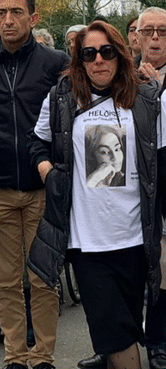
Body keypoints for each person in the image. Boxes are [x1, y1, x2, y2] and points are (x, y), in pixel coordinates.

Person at [28, 19, 166, 369]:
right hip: (86, 242)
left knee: (127, 327)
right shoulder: (62, 96)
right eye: (89, 53)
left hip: (134, 238)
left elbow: (161, 162)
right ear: (79, 58)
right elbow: (38, 143)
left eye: (106, 52)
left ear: (120, 55)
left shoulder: (146, 98)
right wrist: (48, 173)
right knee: (115, 333)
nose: (98, 61)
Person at [0, 0, 70, 369]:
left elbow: (67, 122)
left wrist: (59, 170)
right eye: (1, 12)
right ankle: (15, 356)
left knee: (42, 280)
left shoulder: (56, 62)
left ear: (33, 17)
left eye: (16, 12)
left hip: (43, 190)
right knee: (6, 283)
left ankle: (42, 357)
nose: (8, 20)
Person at [134, 6, 166, 369]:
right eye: (149, 31)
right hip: (132, 180)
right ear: (137, 37)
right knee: (130, 265)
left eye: (163, 31)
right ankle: (118, 342)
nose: (156, 38)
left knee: (164, 265)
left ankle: (157, 339)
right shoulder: (121, 75)